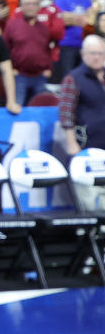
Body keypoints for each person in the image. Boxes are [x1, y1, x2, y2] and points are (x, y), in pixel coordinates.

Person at [61, 35, 105, 210]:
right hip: (86, 149)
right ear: (83, 54)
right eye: (93, 53)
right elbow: (66, 114)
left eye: (101, 53)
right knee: (88, 200)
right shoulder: (73, 78)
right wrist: (72, 145)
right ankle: (88, 234)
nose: (97, 57)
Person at [3, 0, 65, 105]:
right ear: (21, 6)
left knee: (39, 109)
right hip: (19, 76)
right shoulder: (12, 25)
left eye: (34, 4)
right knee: (17, 107)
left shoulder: (43, 28)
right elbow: (5, 48)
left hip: (40, 77)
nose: (31, 7)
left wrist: (49, 68)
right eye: (27, 4)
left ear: (39, 7)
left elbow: (47, 49)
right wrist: (11, 69)